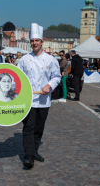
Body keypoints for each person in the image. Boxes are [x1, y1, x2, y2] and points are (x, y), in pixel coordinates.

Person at [18, 23, 61, 168]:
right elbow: (18, 78)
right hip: (28, 100)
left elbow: (56, 76)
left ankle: (34, 151)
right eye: (32, 41)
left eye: (37, 41)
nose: (34, 43)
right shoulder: (24, 60)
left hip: (43, 100)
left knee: (39, 127)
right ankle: (28, 156)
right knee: (28, 127)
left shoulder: (51, 60)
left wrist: (49, 85)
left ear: (42, 42)